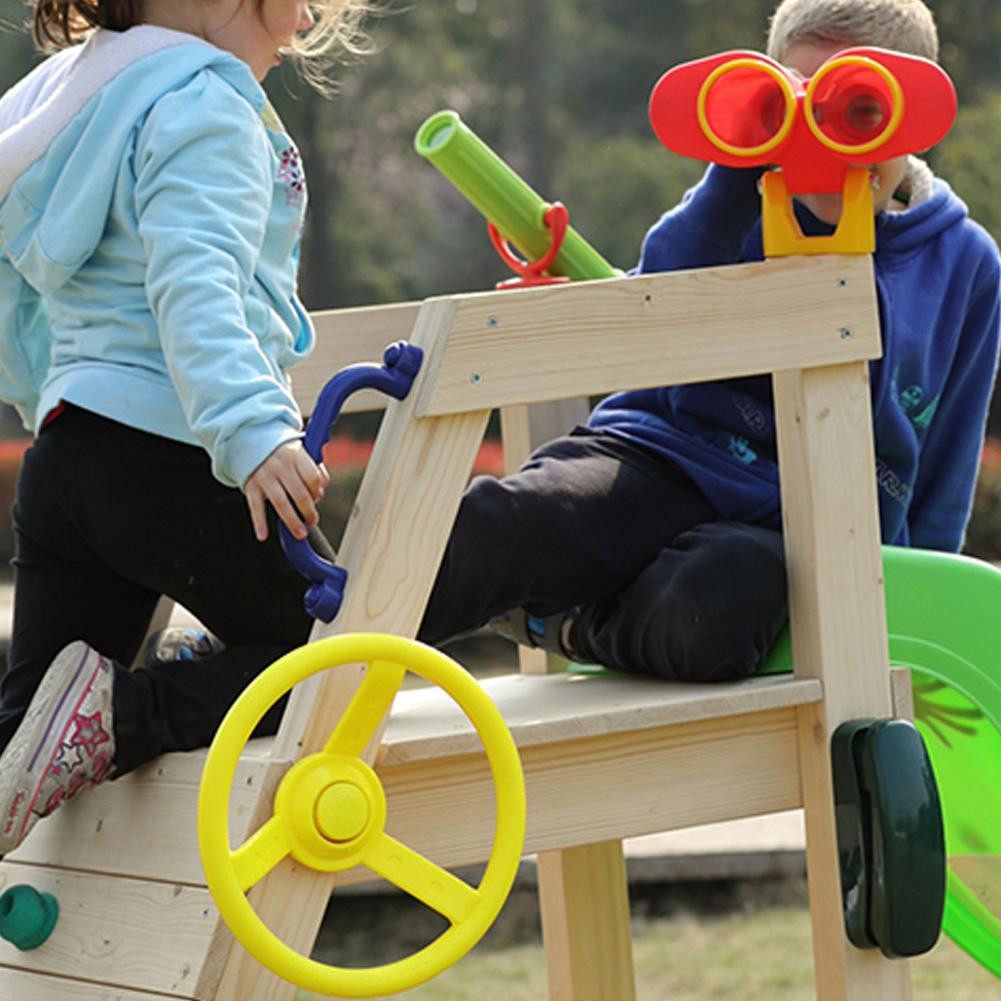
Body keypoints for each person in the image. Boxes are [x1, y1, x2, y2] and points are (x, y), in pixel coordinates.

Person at [418, 0, 1001, 685]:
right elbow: (657, 296)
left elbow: (946, 466)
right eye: (793, 104)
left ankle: (568, 621)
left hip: (799, 527)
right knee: (504, 523)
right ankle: (296, 658)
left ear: (918, 118)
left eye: (859, 111)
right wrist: (743, 157)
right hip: (663, 455)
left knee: (716, 604)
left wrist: (919, 612)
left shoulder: (964, 263)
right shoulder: (740, 199)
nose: (823, 140)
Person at [0, 0, 369, 853]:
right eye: (302, 3)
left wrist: (35, 386)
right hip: (167, 454)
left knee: (25, 732)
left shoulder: (71, 99)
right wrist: (253, 430)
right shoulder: (205, 104)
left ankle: (105, 712)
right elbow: (195, 283)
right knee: (337, 663)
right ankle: (132, 711)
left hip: (67, 450)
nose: (305, 22)